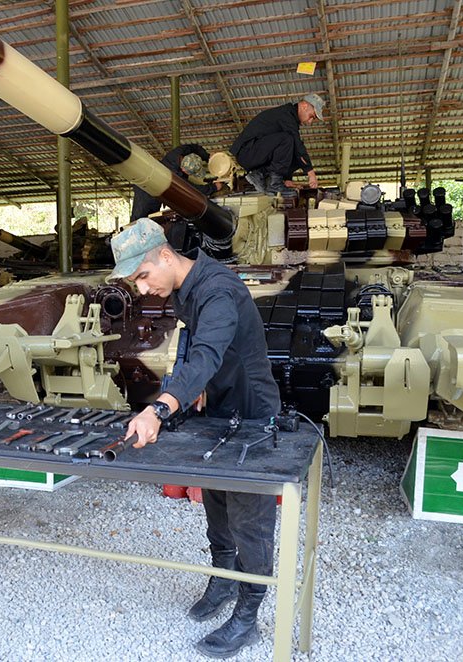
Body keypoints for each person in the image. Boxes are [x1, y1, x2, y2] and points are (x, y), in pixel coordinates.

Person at [110, 218, 281, 659]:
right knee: (216, 503)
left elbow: (209, 352)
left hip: (250, 412)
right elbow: (192, 345)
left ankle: (248, 614)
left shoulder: (218, 290)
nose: (142, 289)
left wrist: (160, 407)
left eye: (143, 276)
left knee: (250, 518)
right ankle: (223, 580)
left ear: (165, 256)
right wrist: (192, 386)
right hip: (218, 407)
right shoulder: (186, 288)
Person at [230, 93, 325, 197]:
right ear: (304, 106)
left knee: (299, 155)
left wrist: (288, 179)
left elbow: (295, 151)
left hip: (257, 153)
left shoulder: (290, 118)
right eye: (311, 116)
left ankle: (263, 176)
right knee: (289, 141)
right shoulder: (285, 115)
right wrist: (311, 173)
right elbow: (298, 146)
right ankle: (273, 183)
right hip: (247, 153)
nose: (310, 122)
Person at [130, 143, 223, 221]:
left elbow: (194, 147)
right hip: (146, 193)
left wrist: (207, 156)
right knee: (141, 219)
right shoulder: (175, 175)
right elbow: (194, 189)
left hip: (153, 179)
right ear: (183, 169)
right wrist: (214, 187)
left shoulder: (180, 152)